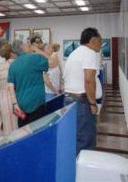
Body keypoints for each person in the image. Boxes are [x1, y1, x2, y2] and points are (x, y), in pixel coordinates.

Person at [64, 27, 101, 155]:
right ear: (93, 40)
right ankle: (82, 172)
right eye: (100, 41)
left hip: (70, 99)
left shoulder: (75, 53)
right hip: (83, 102)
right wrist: (92, 103)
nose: (101, 44)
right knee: (86, 140)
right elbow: (89, 80)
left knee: (76, 136)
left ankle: (75, 167)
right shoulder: (89, 53)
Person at [8, 40, 58, 128]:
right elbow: (54, 63)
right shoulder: (35, 58)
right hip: (36, 103)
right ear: (23, 48)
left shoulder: (13, 65)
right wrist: (38, 50)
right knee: (37, 131)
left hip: (21, 104)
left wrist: (15, 104)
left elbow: (10, 87)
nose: (30, 46)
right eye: (28, 44)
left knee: (23, 132)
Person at [0, 44, 18, 135]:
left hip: (3, 95)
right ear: (11, 53)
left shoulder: (0, 65)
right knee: (16, 119)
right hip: (15, 94)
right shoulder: (16, 63)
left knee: (6, 120)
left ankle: (8, 139)